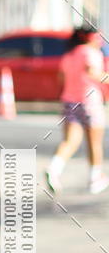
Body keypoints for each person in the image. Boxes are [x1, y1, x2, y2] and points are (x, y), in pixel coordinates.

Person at [45, 24, 109, 195]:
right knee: (94, 142)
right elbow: (93, 72)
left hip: (69, 102)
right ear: (90, 37)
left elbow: (61, 78)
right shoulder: (90, 52)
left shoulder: (69, 54)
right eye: (98, 37)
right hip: (90, 102)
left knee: (70, 141)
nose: (101, 41)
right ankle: (95, 178)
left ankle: (54, 169)